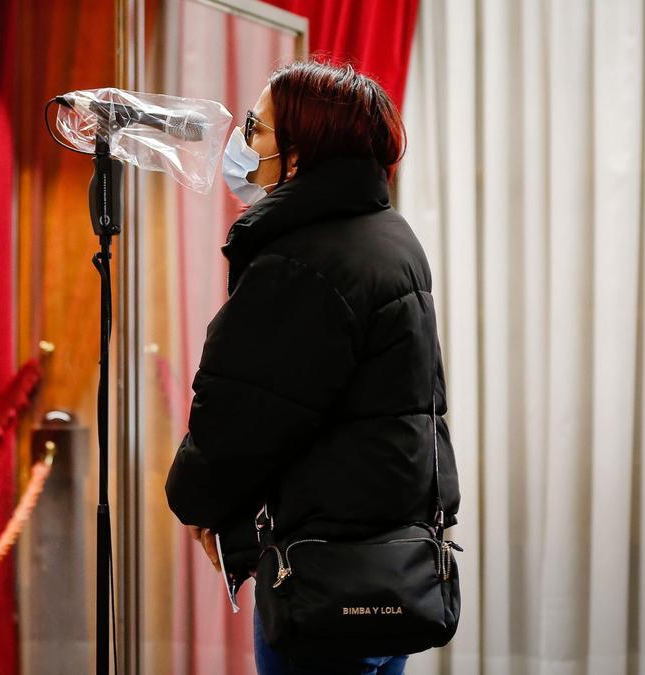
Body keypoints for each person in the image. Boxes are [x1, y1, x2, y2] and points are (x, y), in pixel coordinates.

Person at [165, 59, 460, 675]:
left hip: (324, 579)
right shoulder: (387, 235)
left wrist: (197, 500)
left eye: (257, 128)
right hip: (386, 570)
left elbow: (248, 413)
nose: (242, 143)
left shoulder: (305, 259)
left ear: (301, 151)